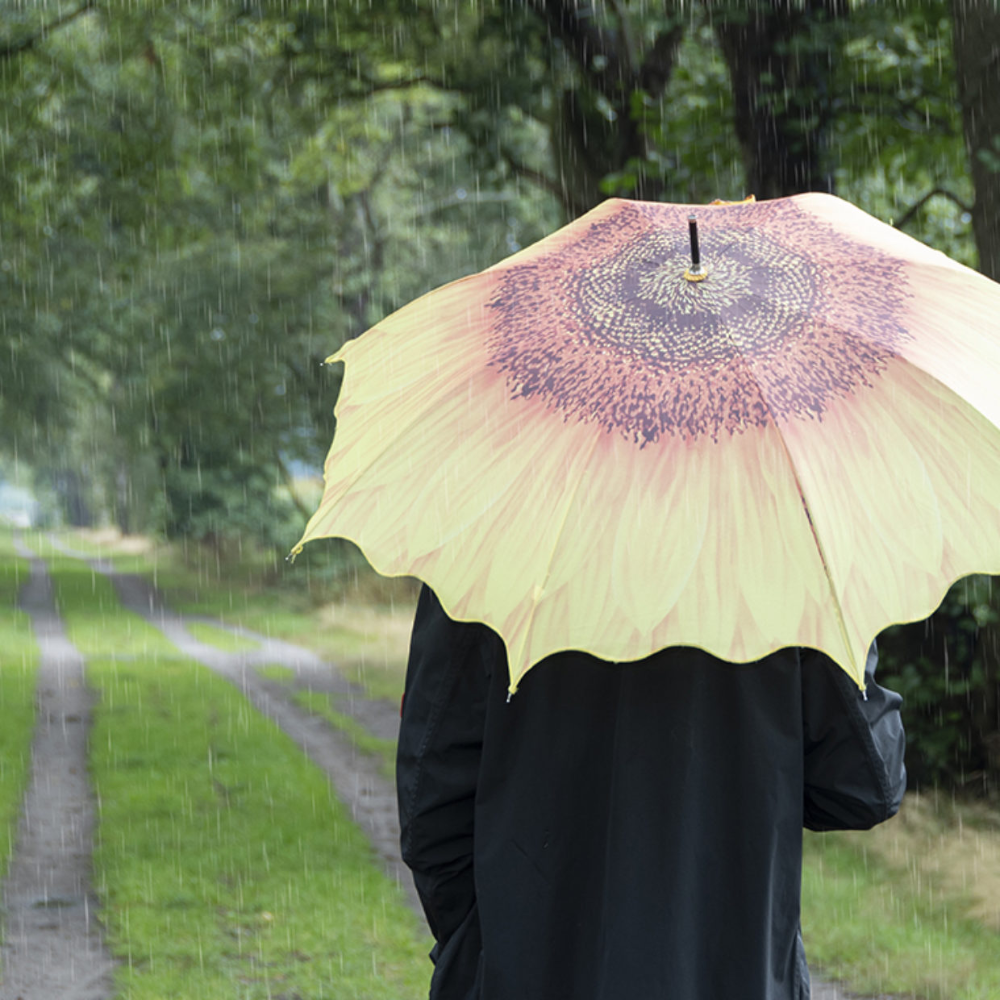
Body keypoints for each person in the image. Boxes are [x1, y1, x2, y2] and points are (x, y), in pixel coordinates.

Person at [397, 586, 906, 1000]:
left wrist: (499, 952)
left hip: (531, 973)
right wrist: (843, 607)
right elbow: (862, 785)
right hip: (731, 977)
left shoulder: (496, 533)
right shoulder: (780, 559)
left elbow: (432, 810)